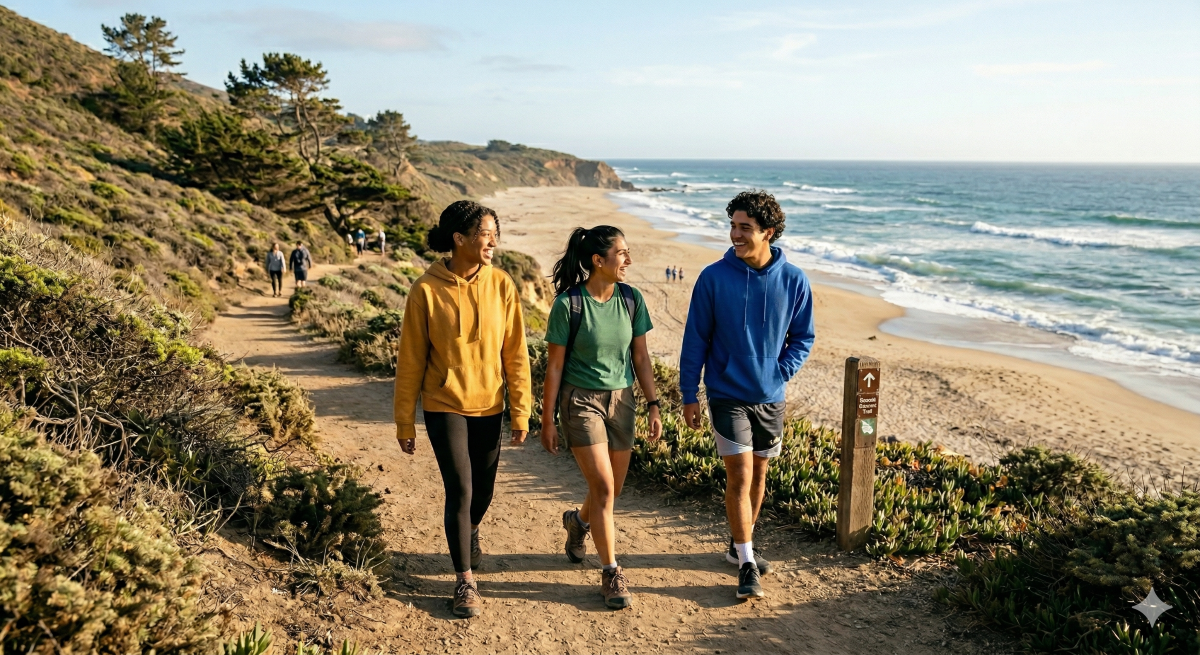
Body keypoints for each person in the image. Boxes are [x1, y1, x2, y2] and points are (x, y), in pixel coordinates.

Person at [393, 200, 531, 619]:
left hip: (490, 403)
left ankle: (470, 531)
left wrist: (521, 410)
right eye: (486, 234)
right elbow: (411, 360)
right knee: (461, 489)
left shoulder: (502, 285)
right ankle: (464, 580)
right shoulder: (425, 290)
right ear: (459, 238)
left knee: (483, 492)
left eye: (495, 234)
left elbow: (516, 353)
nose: (493, 242)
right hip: (444, 403)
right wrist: (404, 421)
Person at [680, 190, 814, 600]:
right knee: (739, 475)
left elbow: (803, 337)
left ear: (768, 232)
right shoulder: (713, 277)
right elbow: (696, 338)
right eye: (733, 226)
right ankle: (747, 563)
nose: (735, 235)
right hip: (727, 393)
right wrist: (689, 393)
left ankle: (740, 545)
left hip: (770, 395)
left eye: (745, 228)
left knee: (759, 475)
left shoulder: (794, 280)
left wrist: (779, 371)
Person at [540, 226, 662, 610]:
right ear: (598, 260)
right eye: (622, 253)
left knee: (610, 489)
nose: (629, 260)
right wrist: (547, 419)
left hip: (622, 401)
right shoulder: (569, 305)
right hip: (581, 402)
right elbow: (554, 367)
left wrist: (654, 404)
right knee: (605, 489)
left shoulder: (631, 299)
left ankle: (578, 523)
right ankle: (611, 572)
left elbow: (640, 357)